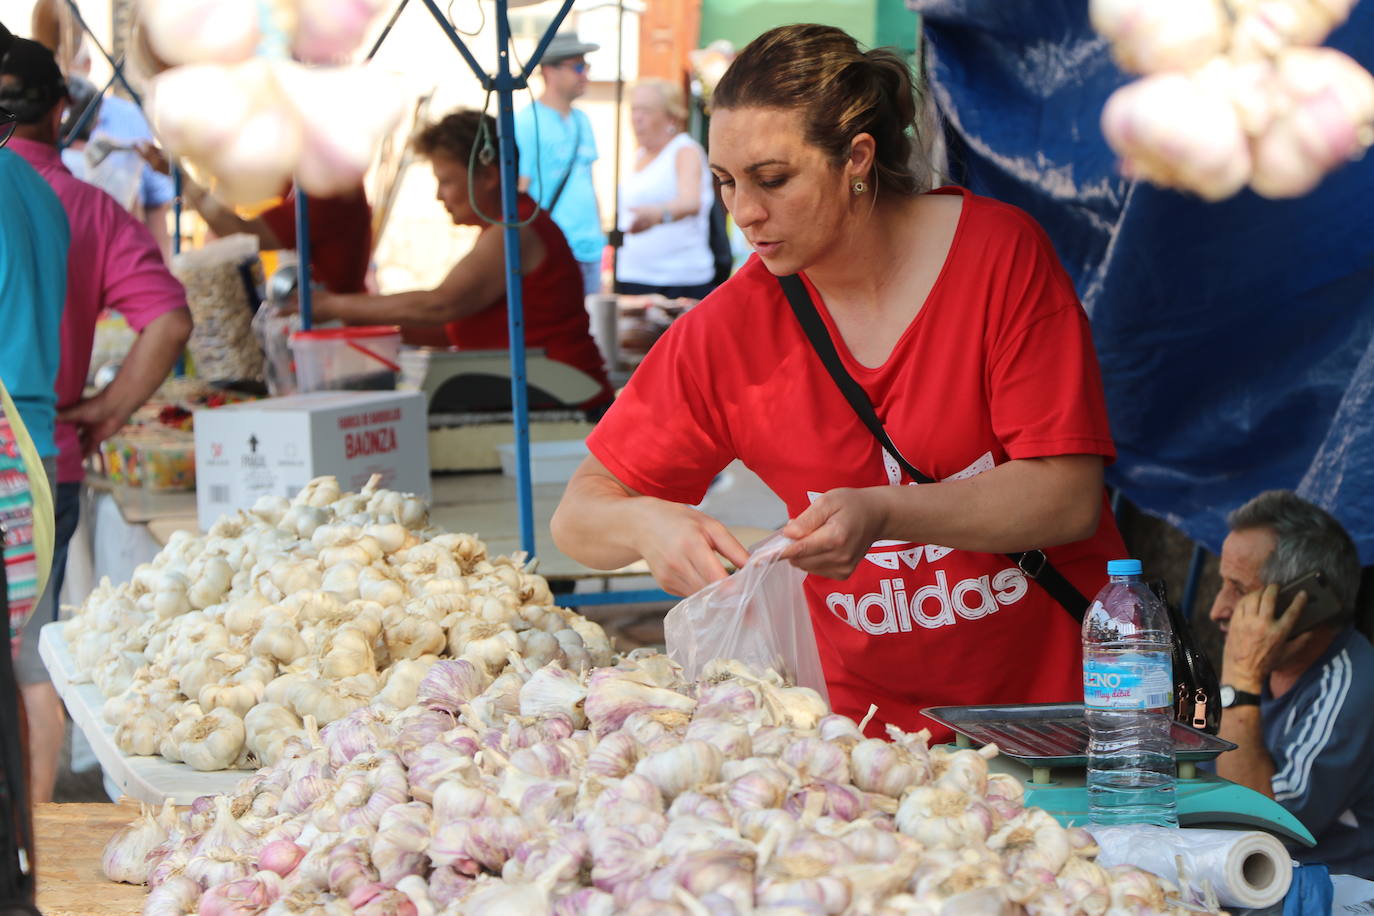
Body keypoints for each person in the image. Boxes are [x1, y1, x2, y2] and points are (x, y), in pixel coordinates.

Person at [552, 24, 1128, 740]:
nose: (745, 212)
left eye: (773, 179)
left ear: (857, 159)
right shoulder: (729, 328)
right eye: (726, 182)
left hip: (1067, 724)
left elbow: (1066, 496)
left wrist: (884, 513)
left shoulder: (997, 255)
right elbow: (578, 516)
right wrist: (646, 521)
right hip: (871, 747)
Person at [2, 35, 193, 804]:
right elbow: (169, 319)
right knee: (28, 658)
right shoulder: (60, 202)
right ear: (61, 110)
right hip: (44, 457)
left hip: (12, 451)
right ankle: (33, 844)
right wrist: (103, 414)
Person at [310, 109, 612, 410]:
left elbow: (441, 305)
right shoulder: (506, 227)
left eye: (447, 182)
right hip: (549, 388)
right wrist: (361, 320)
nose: (440, 196)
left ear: (489, 176)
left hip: (564, 394)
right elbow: (450, 327)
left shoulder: (514, 231)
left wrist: (331, 306)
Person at [1208, 490, 1373, 877]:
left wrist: (1240, 679)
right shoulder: (1268, 666)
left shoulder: (1350, 686)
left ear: (1303, 602)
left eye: (1240, 590)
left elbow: (1262, 827)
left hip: (1331, 890)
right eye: (1222, 584)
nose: (1217, 609)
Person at [140, 141, 374, 295]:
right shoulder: (303, 175)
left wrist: (185, 181)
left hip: (338, 326)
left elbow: (240, 232)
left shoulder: (328, 190)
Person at [514, 32, 605, 296]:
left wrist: (599, 238)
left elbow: (590, 183)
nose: (584, 74)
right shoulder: (526, 121)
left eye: (585, 66)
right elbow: (521, 186)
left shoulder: (582, 120)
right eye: (577, 66)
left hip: (589, 248)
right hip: (553, 249)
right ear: (549, 71)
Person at [615, 78, 717, 301]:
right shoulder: (639, 155)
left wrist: (658, 214)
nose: (637, 118)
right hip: (633, 275)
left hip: (677, 281)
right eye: (634, 109)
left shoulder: (685, 150)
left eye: (646, 110)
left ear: (670, 116)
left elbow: (691, 201)